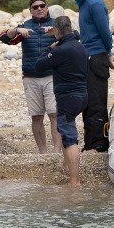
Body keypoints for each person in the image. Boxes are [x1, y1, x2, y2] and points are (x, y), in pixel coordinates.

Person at [0, 0, 62, 153]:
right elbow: (4, 38)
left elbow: (73, 37)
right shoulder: (25, 26)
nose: (39, 9)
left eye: (42, 6)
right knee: (36, 116)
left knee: (54, 114)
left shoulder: (56, 25)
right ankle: (42, 152)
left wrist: (56, 32)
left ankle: (56, 151)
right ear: (30, 10)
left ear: (47, 7)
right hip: (30, 77)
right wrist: (17, 30)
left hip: (52, 76)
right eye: (35, 7)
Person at [35, 15, 88, 186]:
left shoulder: (61, 50)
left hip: (68, 97)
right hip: (83, 96)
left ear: (57, 31)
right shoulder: (81, 47)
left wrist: (49, 49)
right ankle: (67, 167)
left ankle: (75, 181)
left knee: (70, 136)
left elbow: (39, 64)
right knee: (65, 131)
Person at [72, 0, 114, 152]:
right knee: (88, 101)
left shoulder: (95, 4)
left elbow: (105, 32)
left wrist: (108, 52)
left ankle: (99, 143)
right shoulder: (85, 3)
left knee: (96, 101)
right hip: (88, 57)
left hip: (96, 57)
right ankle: (90, 142)